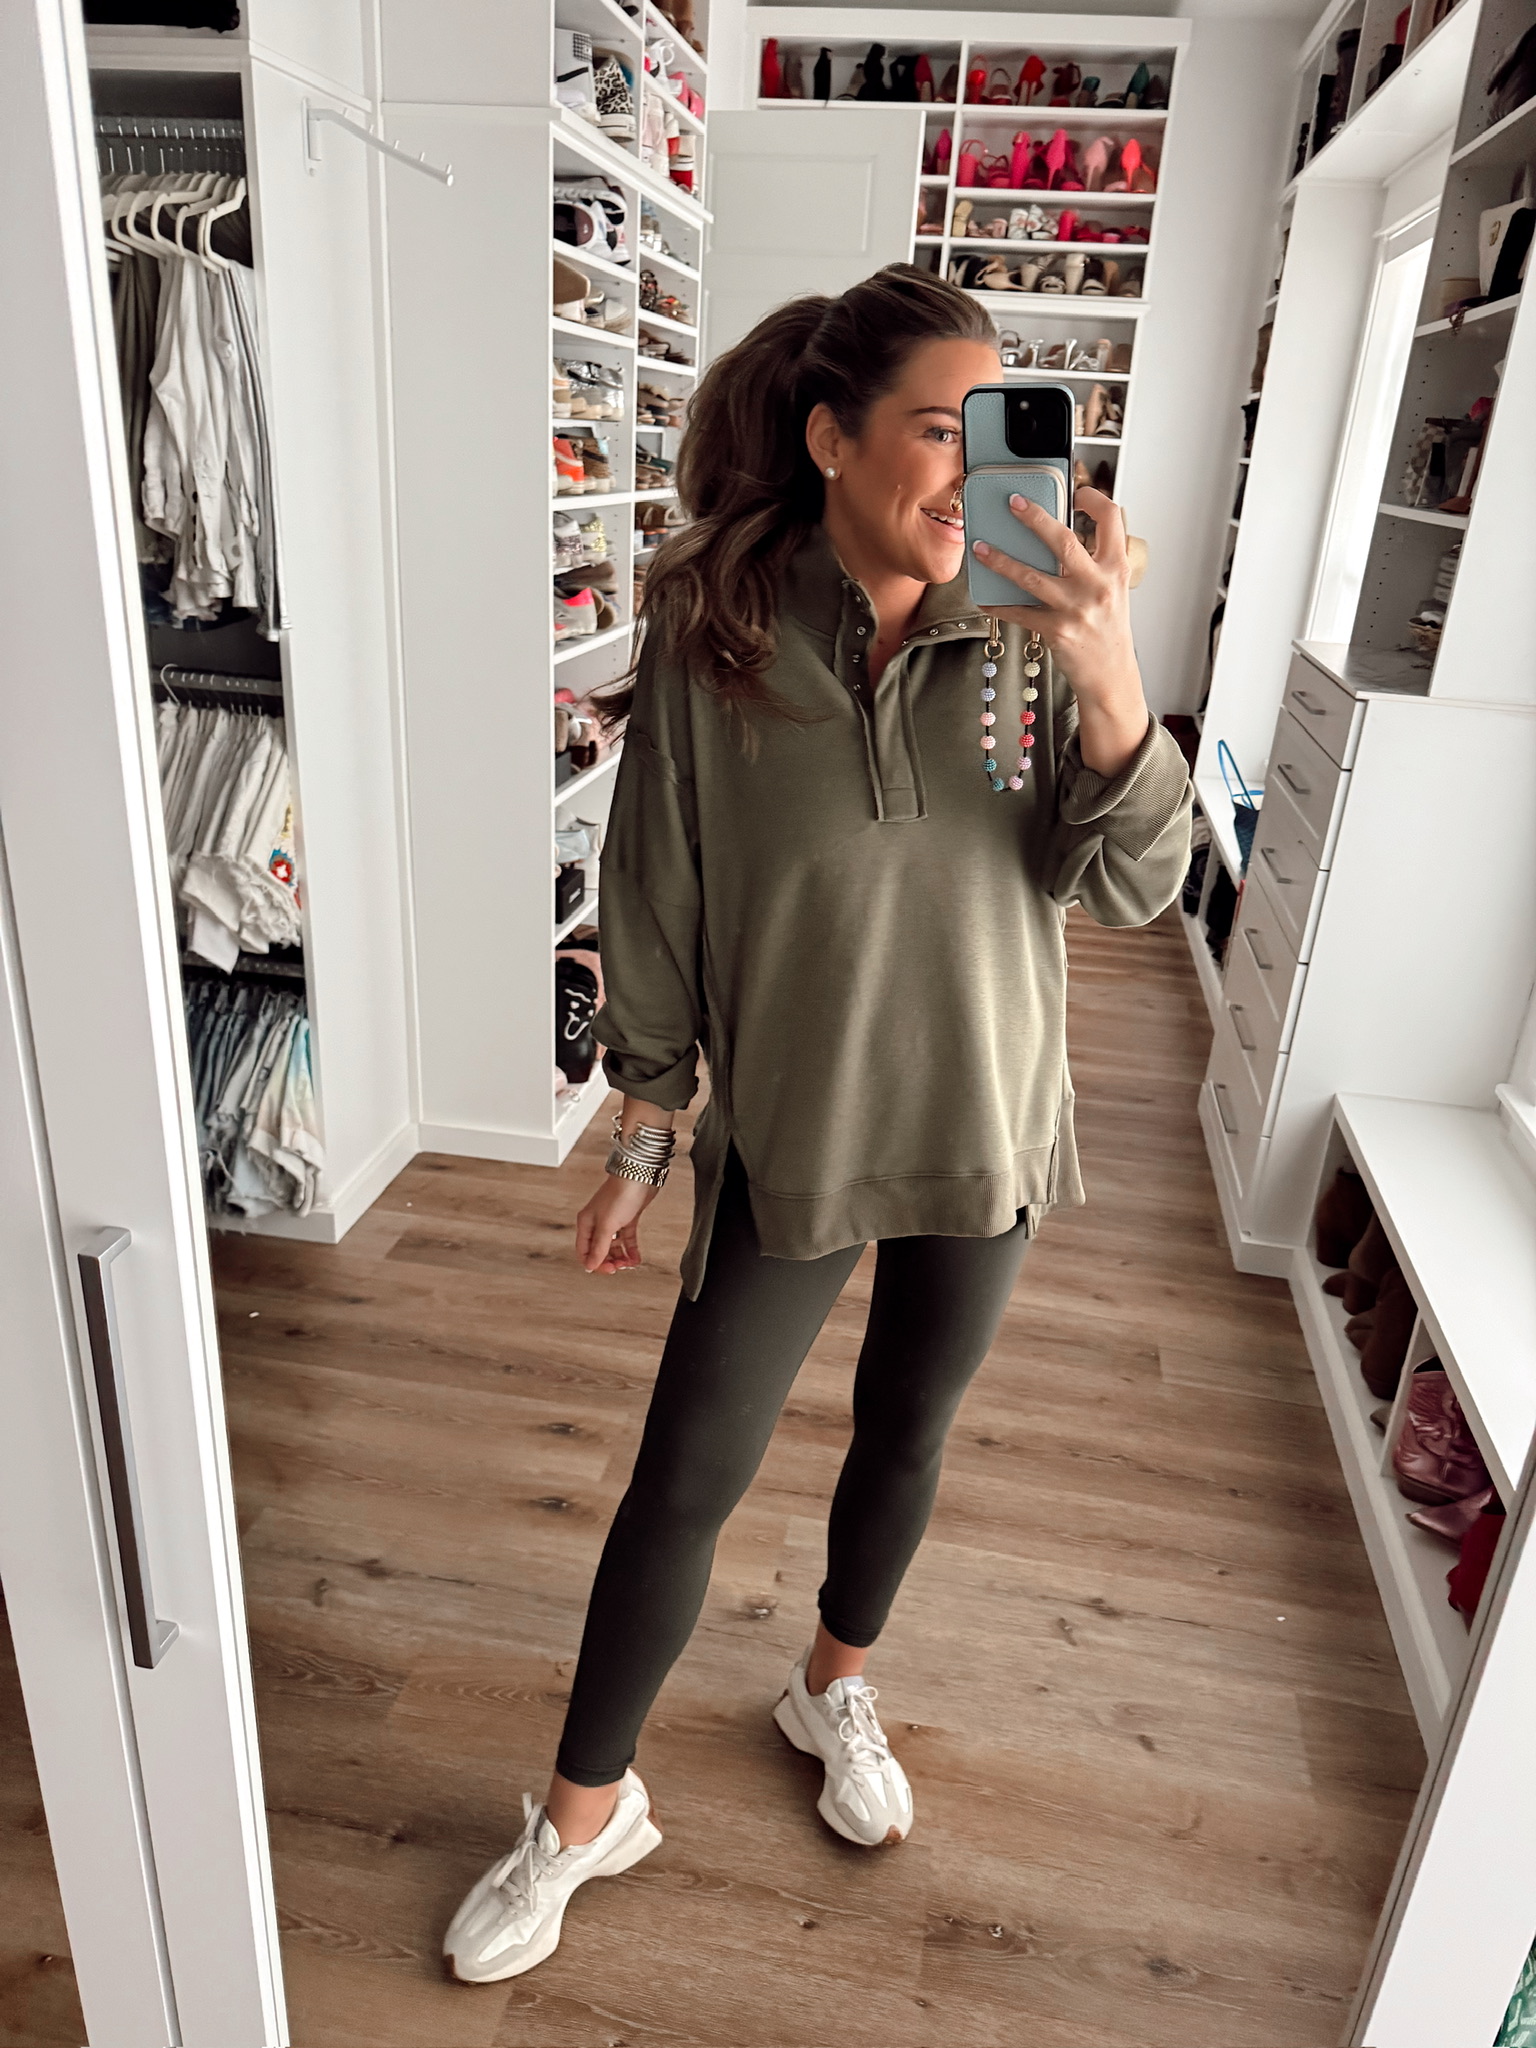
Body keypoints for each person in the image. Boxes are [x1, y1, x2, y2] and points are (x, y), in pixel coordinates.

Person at [444, 265, 1191, 1983]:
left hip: (987, 1121)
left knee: (906, 1431)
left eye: (998, 435)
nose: (971, 474)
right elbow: (655, 883)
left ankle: (833, 1686)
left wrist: (1106, 665)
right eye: (939, 431)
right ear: (831, 437)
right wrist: (645, 1125)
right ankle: (584, 1813)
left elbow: (1129, 887)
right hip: (796, 1127)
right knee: (683, 1477)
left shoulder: (1033, 629)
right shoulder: (718, 629)